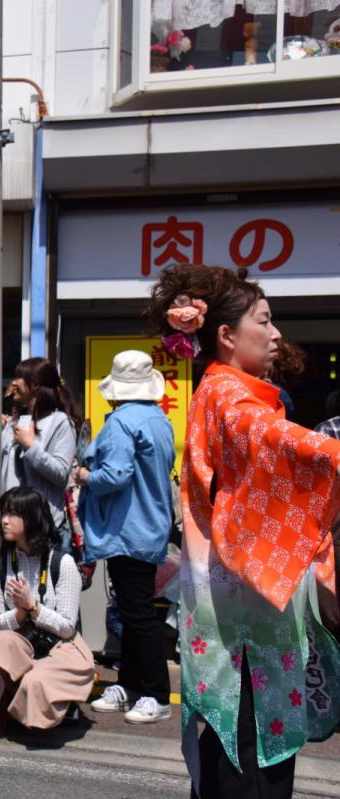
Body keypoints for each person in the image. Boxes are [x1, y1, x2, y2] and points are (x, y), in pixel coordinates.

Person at [147, 264, 340, 799]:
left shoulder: (228, 393)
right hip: (241, 613)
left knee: (242, 746)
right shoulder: (230, 397)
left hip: (237, 602)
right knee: (250, 751)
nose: (276, 333)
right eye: (264, 320)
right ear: (227, 336)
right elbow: (278, 442)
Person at [77, 350, 176, 724]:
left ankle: (155, 694)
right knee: (135, 612)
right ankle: (131, 686)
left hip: (127, 529)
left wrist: (85, 477)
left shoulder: (121, 422)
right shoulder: (159, 419)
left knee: (137, 615)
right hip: (149, 527)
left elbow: (114, 476)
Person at [0, 486, 94, 735]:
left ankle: (56, 706)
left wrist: (33, 606)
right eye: (3, 513)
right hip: (23, 642)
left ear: (33, 518)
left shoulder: (62, 563)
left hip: (61, 646)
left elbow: (67, 627)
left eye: (12, 514)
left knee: (35, 681)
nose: (4, 520)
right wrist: (20, 613)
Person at [1, 357, 79, 552]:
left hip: (44, 530)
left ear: (35, 385)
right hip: (12, 529)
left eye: (19, 378)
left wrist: (30, 447)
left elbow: (61, 473)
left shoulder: (60, 422)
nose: (13, 383)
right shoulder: (14, 422)